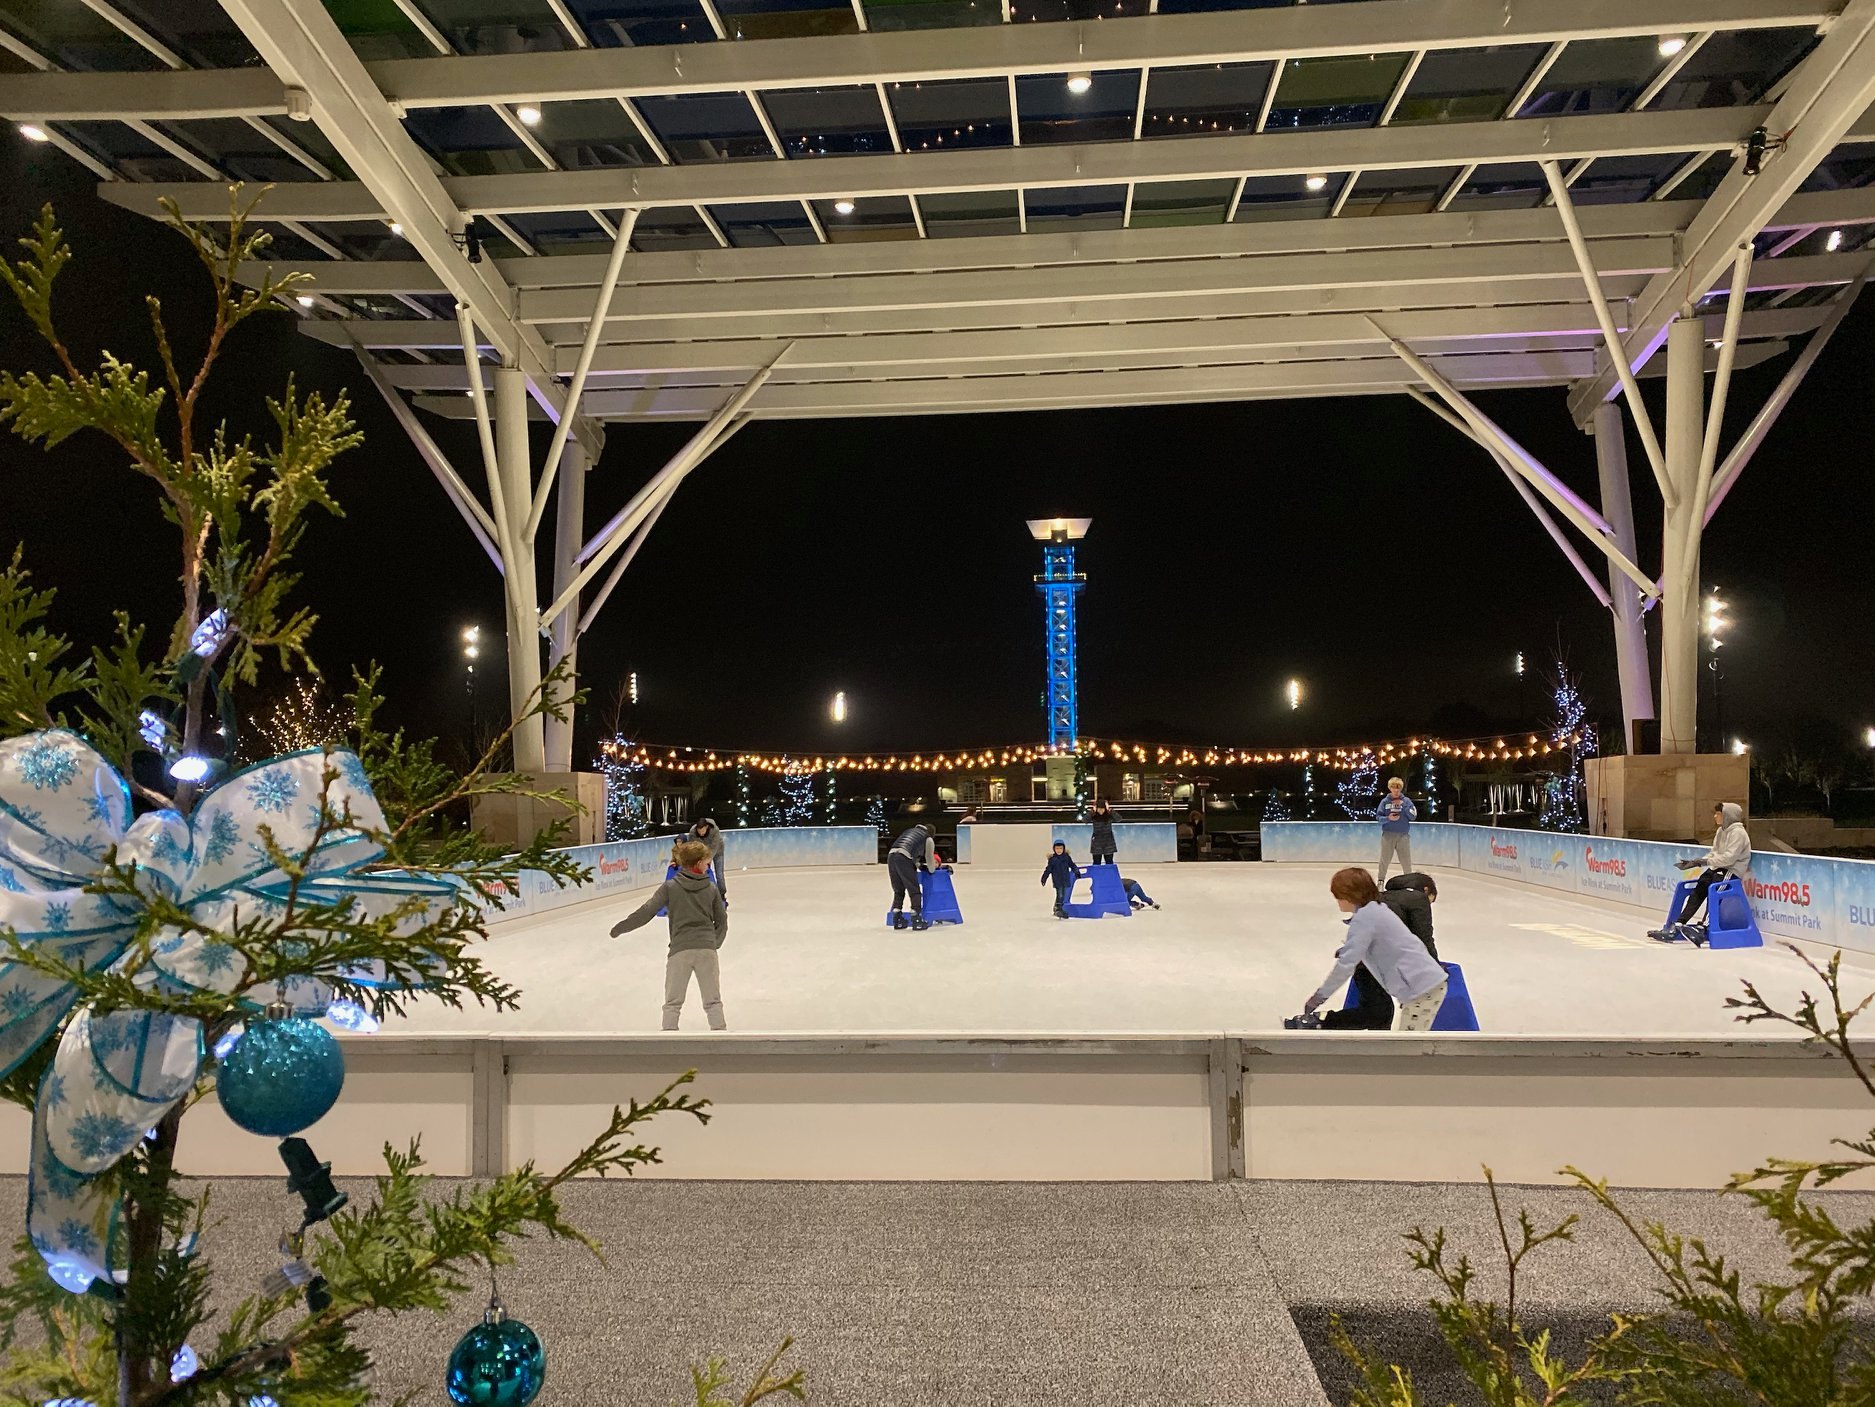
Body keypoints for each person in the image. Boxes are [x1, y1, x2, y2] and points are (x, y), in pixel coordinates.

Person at [1302, 867, 1449, 1032]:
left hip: (1424, 988)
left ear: (1350, 894)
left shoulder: (1366, 917)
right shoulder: (1376, 910)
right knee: (1403, 1041)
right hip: (1422, 986)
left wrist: (1318, 998)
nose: (1337, 900)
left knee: (1408, 1047)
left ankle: (1318, 1021)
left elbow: (1345, 966)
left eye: (1338, 895)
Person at [609, 839, 729, 1031]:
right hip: (706, 949)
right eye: (707, 863)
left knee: (672, 1003)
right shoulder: (711, 888)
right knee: (713, 1002)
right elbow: (722, 920)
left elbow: (646, 912)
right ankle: (722, 1041)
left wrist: (621, 928)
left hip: (679, 951)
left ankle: (669, 1041)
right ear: (698, 863)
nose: (708, 867)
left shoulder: (670, 887)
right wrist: (714, 943)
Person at [1650, 802, 1752, 947]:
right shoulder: (1721, 831)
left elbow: (1730, 858)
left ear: (1727, 816)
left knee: (1715, 890)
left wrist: (1703, 862)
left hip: (1731, 871)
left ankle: (1703, 927)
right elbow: (1714, 853)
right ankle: (1679, 923)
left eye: (1718, 814)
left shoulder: (1738, 833)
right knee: (1700, 887)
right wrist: (1697, 862)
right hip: (1718, 868)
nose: (1715, 816)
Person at [888, 821, 937, 931]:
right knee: (914, 890)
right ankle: (916, 919)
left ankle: (897, 918)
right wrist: (931, 870)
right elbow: (930, 859)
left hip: (891, 855)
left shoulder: (909, 831)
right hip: (904, 858)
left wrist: (917, 864)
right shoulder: (927, 838)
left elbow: (909, 849)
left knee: (898, 889)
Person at [1375, 778, 1417, 883]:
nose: (1396, 791)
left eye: (1398, 788)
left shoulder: (1407, 801)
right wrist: (1388, 818)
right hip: (1388, 835)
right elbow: (1379, 818)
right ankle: (1381, 881)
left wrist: (1404, 806)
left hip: (1403, 836)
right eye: (1394, 788)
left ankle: (1409, 882)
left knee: (1406, 860)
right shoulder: (1384, 802)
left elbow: (1413, 816)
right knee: (1384, 860)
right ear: (1390, 788)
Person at [686, 816, 728, 902]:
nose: (701, 833)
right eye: (699, 831)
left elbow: (714, 848)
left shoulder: (715, 830)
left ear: (707, 827)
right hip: (702, 853)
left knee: (719, 874)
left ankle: (722, 894)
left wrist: (707, 861)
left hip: (717, 852)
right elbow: (692, 846)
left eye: (702, 831)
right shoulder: (692, 832)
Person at [1040, 840, 1082, 918]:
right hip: (1057, 880)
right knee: (1060, 894)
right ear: (1054, 849)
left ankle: (1057, 907)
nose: (1059, 850)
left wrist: (1076, 872)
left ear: (1063, 849)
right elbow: (1048, 869)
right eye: (1057, 848)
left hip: (1065, 879)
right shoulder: (1053, 859)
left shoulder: (1066, 857)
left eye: (1060, 848)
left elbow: (1072, 865)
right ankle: (1059, 909)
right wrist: (1044, 877)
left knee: (1063, 894)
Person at [1089, 798, 1117, 866]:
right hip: (1097, 842)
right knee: (1096, 863)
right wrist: (1092, 811)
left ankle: (1109, 876)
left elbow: (1119, 819)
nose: (1101, 811)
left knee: (1109, 862)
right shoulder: (1094, 816)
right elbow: (1084, 820)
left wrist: (1111, 811)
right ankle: (1096, 876)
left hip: (1108, 842)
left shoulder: (1109, 816)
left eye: (1102, 809)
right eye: (1099, 809)